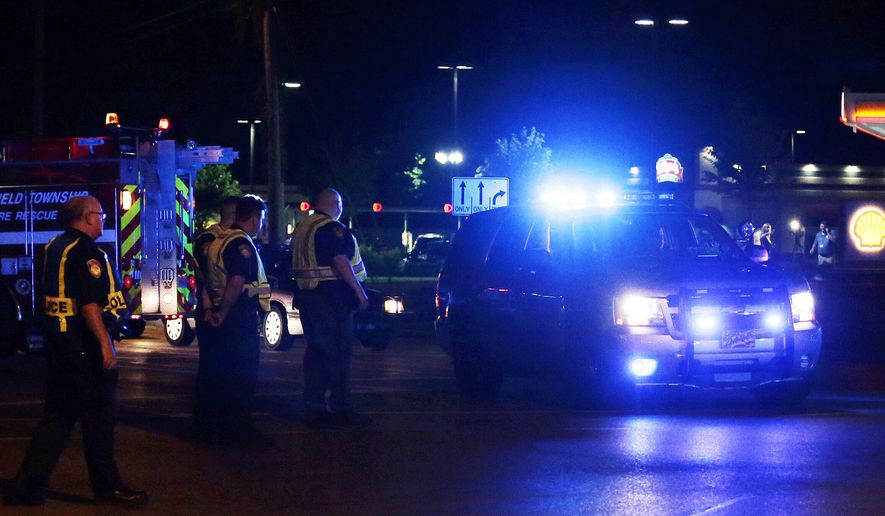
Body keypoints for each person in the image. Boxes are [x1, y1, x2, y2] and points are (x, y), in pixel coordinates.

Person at [5, 196, 148, 507]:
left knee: (57, 419)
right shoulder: (86, 252)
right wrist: (104, 343)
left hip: (60, 346)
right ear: (86, 218)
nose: (104, 220)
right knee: (99, 420)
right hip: (83, 349)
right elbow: (89, 304)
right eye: (100, 214)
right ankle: (108, 488)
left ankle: (27, 485)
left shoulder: (55, 246)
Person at [291, 188, 370, 429]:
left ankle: (313, 407)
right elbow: (340, 260)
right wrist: (358, 290)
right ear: (336, 204)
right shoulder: (331, 229)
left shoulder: (303, 228)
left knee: (316, 354)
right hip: (331, 300)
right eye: (340, 203)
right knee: (337, 355)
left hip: (307, 298)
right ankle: (342, 409)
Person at [205, 195, 271, 444]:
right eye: (261, 219)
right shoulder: (241, 244)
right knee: (244, 374)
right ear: (254, 218)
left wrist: (215, 310)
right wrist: (223, 313)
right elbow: (236, 281)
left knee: (227, 375)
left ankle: (223, 428)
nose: (262, 225)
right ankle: (241, 430)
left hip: (225, 313)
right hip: (238, 315)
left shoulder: (219, 242)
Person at [191, 195, 239, 443]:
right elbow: (205, 277)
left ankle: (220, 421)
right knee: (212, 369)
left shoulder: (230, 239)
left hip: (223, 312)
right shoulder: (210, 239)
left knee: (225, 370)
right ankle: (206, 424)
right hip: (212, 312)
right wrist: (210, 310)